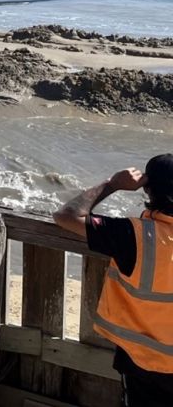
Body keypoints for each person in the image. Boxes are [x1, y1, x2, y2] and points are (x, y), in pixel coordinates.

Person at [53, 154, 173, 405]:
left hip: (143, 364)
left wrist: (113, 183)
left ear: (147, 187)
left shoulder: (135, 236)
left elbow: (67, 215)